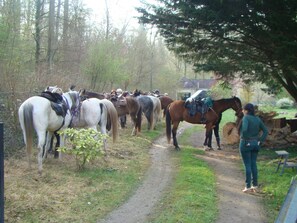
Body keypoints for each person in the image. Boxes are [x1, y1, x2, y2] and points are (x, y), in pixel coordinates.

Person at [239, 103, 268, 193]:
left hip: (246, 143)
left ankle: (247, 186)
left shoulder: (246, 118)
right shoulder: (257, 119)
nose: (242, 111)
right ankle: (255, 185)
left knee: (247, 165)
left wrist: (245, 139)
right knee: (253, 164)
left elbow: (244, 130)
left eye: (243, 109)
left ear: (246, 110)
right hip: (256, 143)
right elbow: (266, 131)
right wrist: (260, 140)